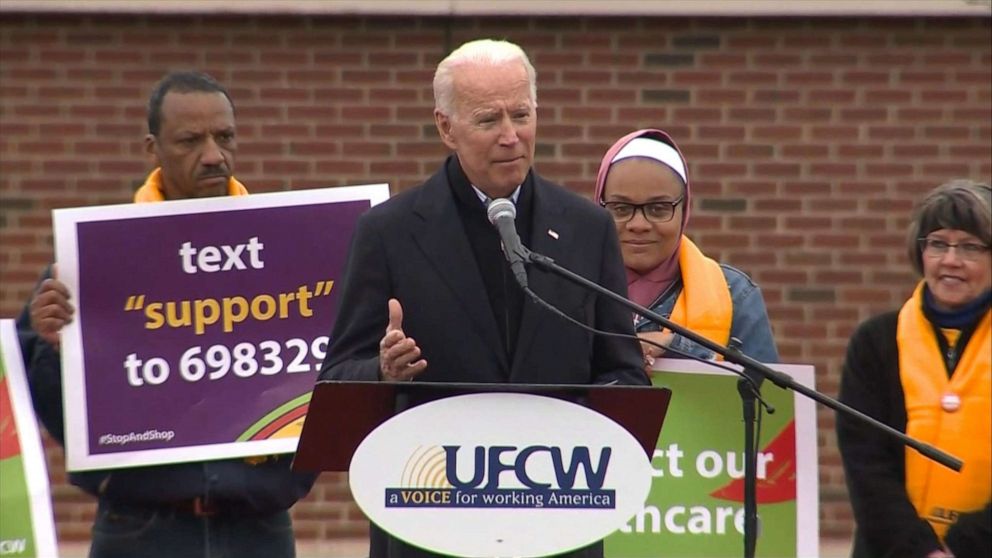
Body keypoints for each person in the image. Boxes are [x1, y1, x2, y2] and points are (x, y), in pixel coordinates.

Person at [319, 39, 648, 557]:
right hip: (430, 519)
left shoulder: (588, 228)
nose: (511, 137)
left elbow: (623, 372)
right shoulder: (389, 232)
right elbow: (337, 378)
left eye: (522, 114)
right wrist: (382, 372)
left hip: (557, 518)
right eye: (488, 120)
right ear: (446, 127)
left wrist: (596, 411)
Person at [17, 71, 315, 558]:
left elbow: (327, 370)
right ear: (152, 149)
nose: (214, 155)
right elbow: (50, 413)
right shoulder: (94, 261)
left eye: (225, 137)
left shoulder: (284, 254)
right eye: (190, 141)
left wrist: (287, 479)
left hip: (257, 528)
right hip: (141, 529)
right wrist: (54, 351)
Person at [837, 180, 991, 558]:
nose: (951, 260)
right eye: (938, 243)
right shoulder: (875, 341)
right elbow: (866, 464)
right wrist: (920, 550)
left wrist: (961, 548)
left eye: (970, 247)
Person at [593, 129, 778, 367]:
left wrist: (675, 347)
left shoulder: (734, 294)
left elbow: (766, 397)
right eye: (620, 208)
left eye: (658, 208)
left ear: (684, 211)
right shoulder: (568, 285)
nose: (638, 224)